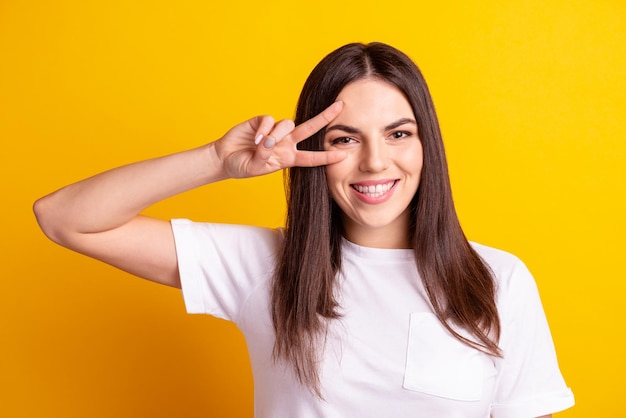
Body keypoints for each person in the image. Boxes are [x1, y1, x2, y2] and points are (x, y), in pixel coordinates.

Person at [34, 42, 574, 417]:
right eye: (344, 139)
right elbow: (64, 218)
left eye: (398, 134)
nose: (374, 162)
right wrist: (216, 160)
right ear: (314, 151)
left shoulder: (497, 280)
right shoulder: (266, 266)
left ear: (425, 143)